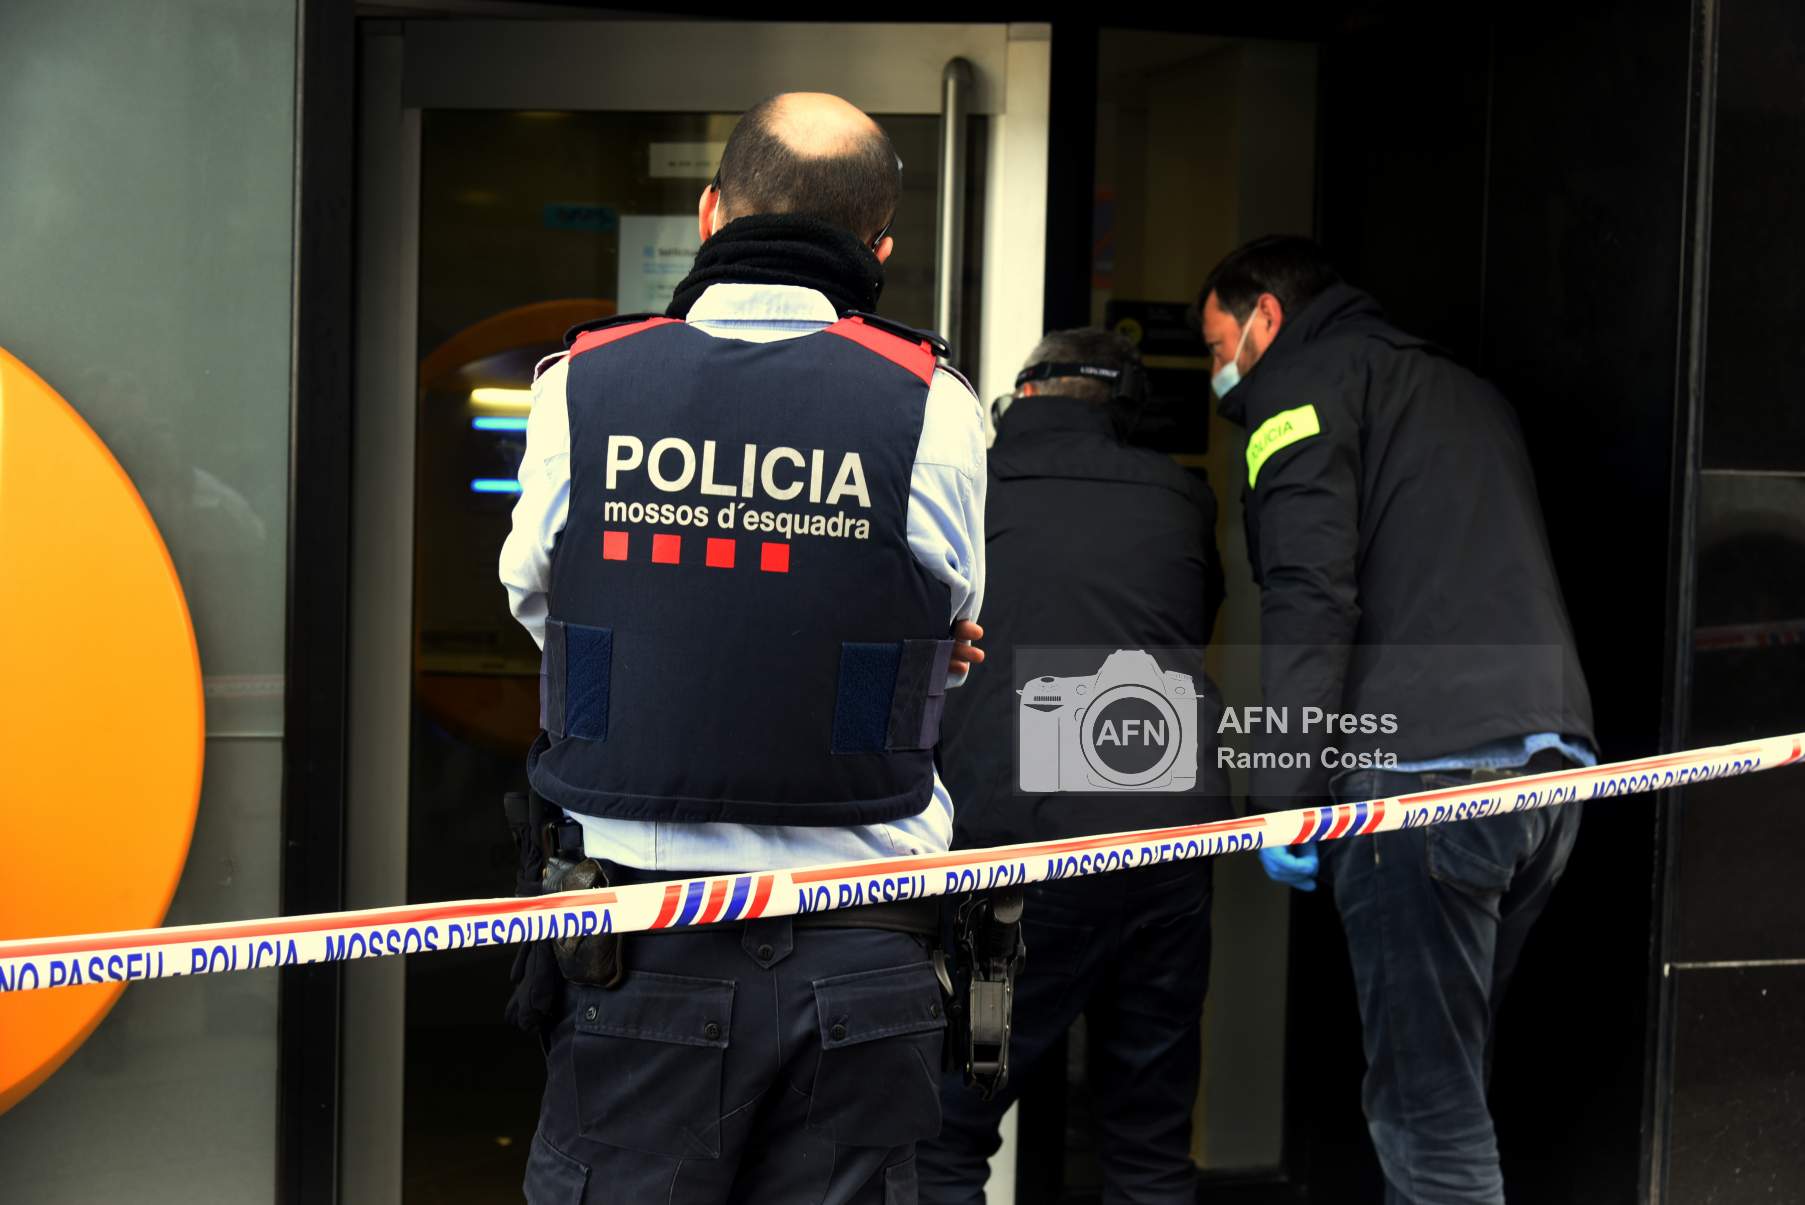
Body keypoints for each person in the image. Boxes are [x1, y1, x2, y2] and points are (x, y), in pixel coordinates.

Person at [499, 91, 988, 1205]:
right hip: (860, 951)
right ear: (879, 248)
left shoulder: (584, 381)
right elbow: (945, 613)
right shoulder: (933, 402)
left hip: (642, 938)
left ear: (713, 210)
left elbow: (536, 595)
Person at [1198, 235, 1596, 1205]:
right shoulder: (1461, 391)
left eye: (1221, 343)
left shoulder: (1298, 395)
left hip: (1426, 778)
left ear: (1266, 316)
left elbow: (1306, 597)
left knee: (1425, 1110)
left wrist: (1284, 790)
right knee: (1446, 1083)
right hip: (1546, 770)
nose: (1222, 371)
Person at [916, 329, 1230, 1205]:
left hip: (1021, 851)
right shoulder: (1181, 496)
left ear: (1020, 398)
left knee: (944, 1132)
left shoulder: (969, 489)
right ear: (1125, 412)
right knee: (1150, 1140)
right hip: (1167, 838)